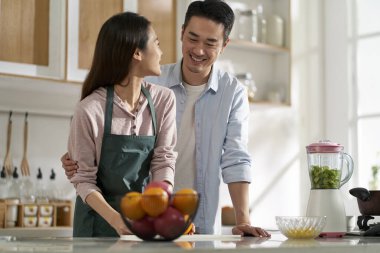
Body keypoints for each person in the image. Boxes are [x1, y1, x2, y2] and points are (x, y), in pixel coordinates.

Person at [62, 0, 270, 237]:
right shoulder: (150, 81)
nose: (199, 50)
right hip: (143, 218)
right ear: (182, 33)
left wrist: (242, 219)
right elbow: (91, 163)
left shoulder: (231, 93)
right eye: (193, 38)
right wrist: (78, 157)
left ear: (224, 45)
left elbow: (235, 158)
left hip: (197, 216)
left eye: (210, 43)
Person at [66, 12, 177, 237]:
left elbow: (163, 159)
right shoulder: (89, 110)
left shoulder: (163, 100)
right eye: (156, 43)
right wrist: (118, 221)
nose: (161, 51)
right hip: (96, 226)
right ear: (137, 52)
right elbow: (83, 180)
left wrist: (159, 201)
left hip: (143, 224)